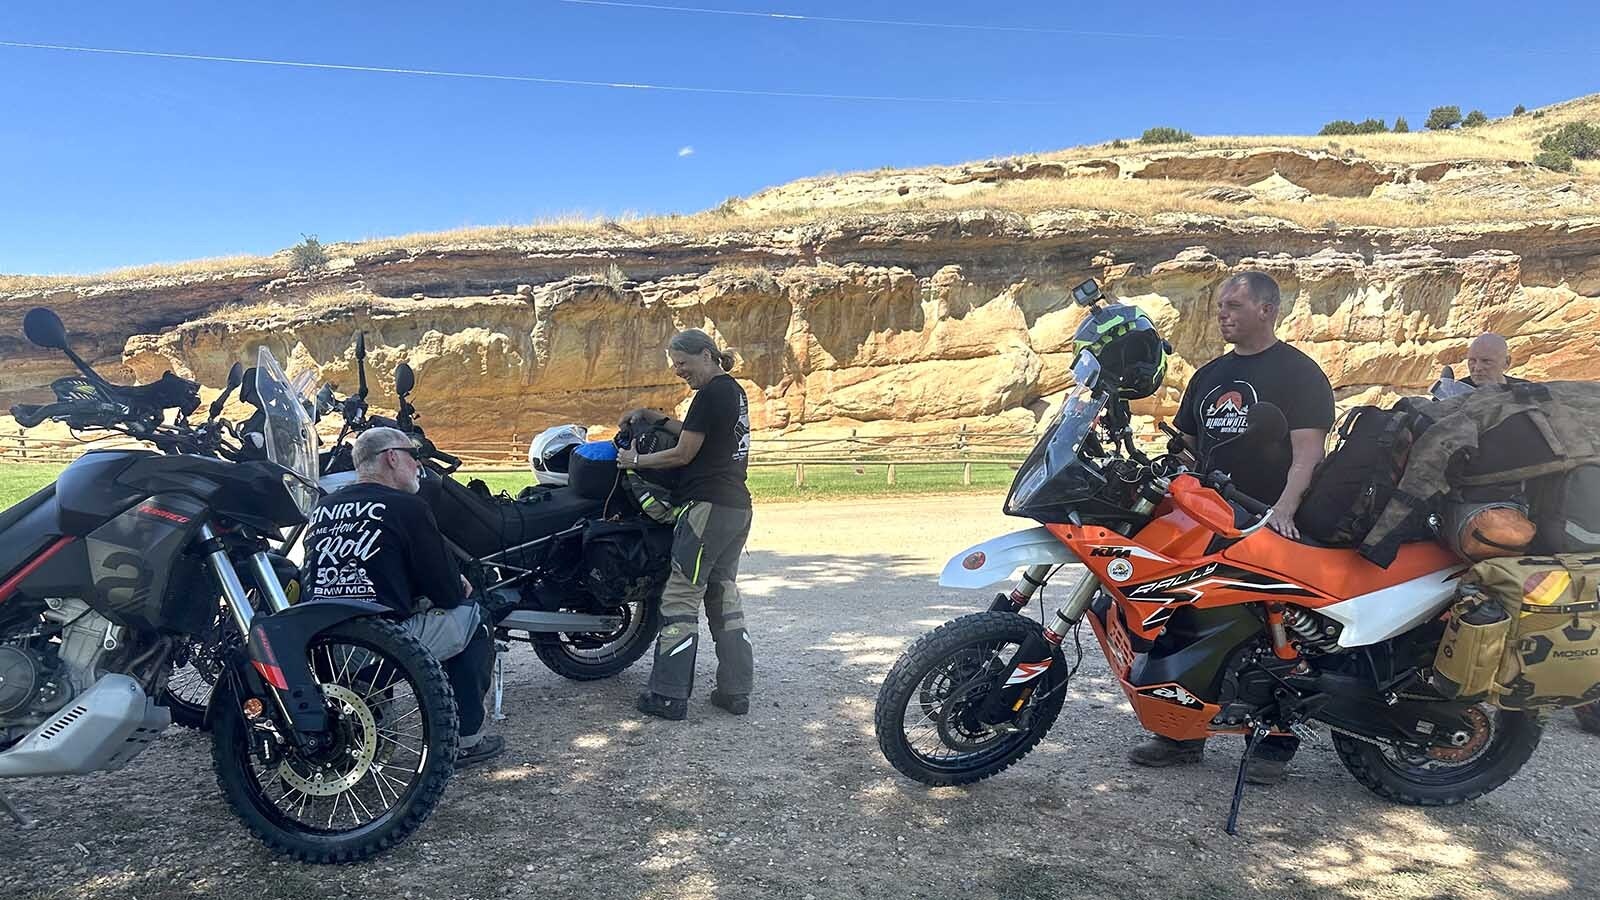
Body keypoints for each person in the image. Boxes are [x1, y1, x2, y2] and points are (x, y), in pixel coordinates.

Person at [1128, 271, 1334, 784]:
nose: (1224, 313)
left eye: (1235, 305)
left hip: (1266, 519)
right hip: (1205, 519)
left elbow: (1308, 453)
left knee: (1273, 633)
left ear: (1267, 309)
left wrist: (1283, 510)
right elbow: (1190, 450)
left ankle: (1276, 741)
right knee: (1184, 619)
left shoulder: (1299, 374)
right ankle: (1182, 733)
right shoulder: (1209, 375)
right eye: (1221, 305)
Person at [301, 426, 505, 768]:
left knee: (388, 615)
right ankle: (466, 740)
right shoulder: (408, 507)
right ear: (392, 458)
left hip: (323, 646)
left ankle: (373, 726)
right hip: (375, 650)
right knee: (472, 617)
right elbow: (448, 594)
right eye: (413, 456)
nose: (418, 465)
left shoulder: (324, 506)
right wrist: (454, 584)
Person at [618, 329, 754, 721]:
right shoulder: (732, 392)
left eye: (683, 363)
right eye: (675, 365)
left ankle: (668, 695)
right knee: (723, 596)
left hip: (707, 509)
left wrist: (635, 463)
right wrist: (654, 416)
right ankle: (736, 690)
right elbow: (695, 433)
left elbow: (683, 453)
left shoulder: (710, 394)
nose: (679, 371)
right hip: (737, 507)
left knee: (680, 595)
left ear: (707, 355)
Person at [1460, 333, 1530, 388]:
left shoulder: (1524, 390)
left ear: (1506, 362)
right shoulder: (1458, 389)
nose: (1477, 368)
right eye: (1472, 360)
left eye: (1486, 361)